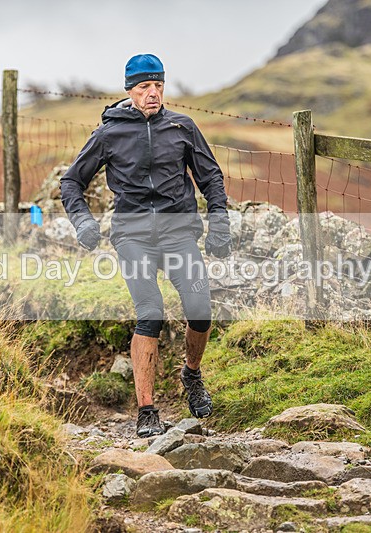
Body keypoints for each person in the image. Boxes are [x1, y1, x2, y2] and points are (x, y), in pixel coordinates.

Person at [60, 53, 231, 437]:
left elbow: (211, 177)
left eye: (158, 86)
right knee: (150, 314)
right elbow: (71, 182)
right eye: (144, 87)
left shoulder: (182, 127)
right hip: (133, 236)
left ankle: (191, 374)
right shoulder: (109, 134)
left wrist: (219, 221)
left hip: (178, 232)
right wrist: (84, 221)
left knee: (200, 310)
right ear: (129, 91)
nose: (153, 93)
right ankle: (148, 411)